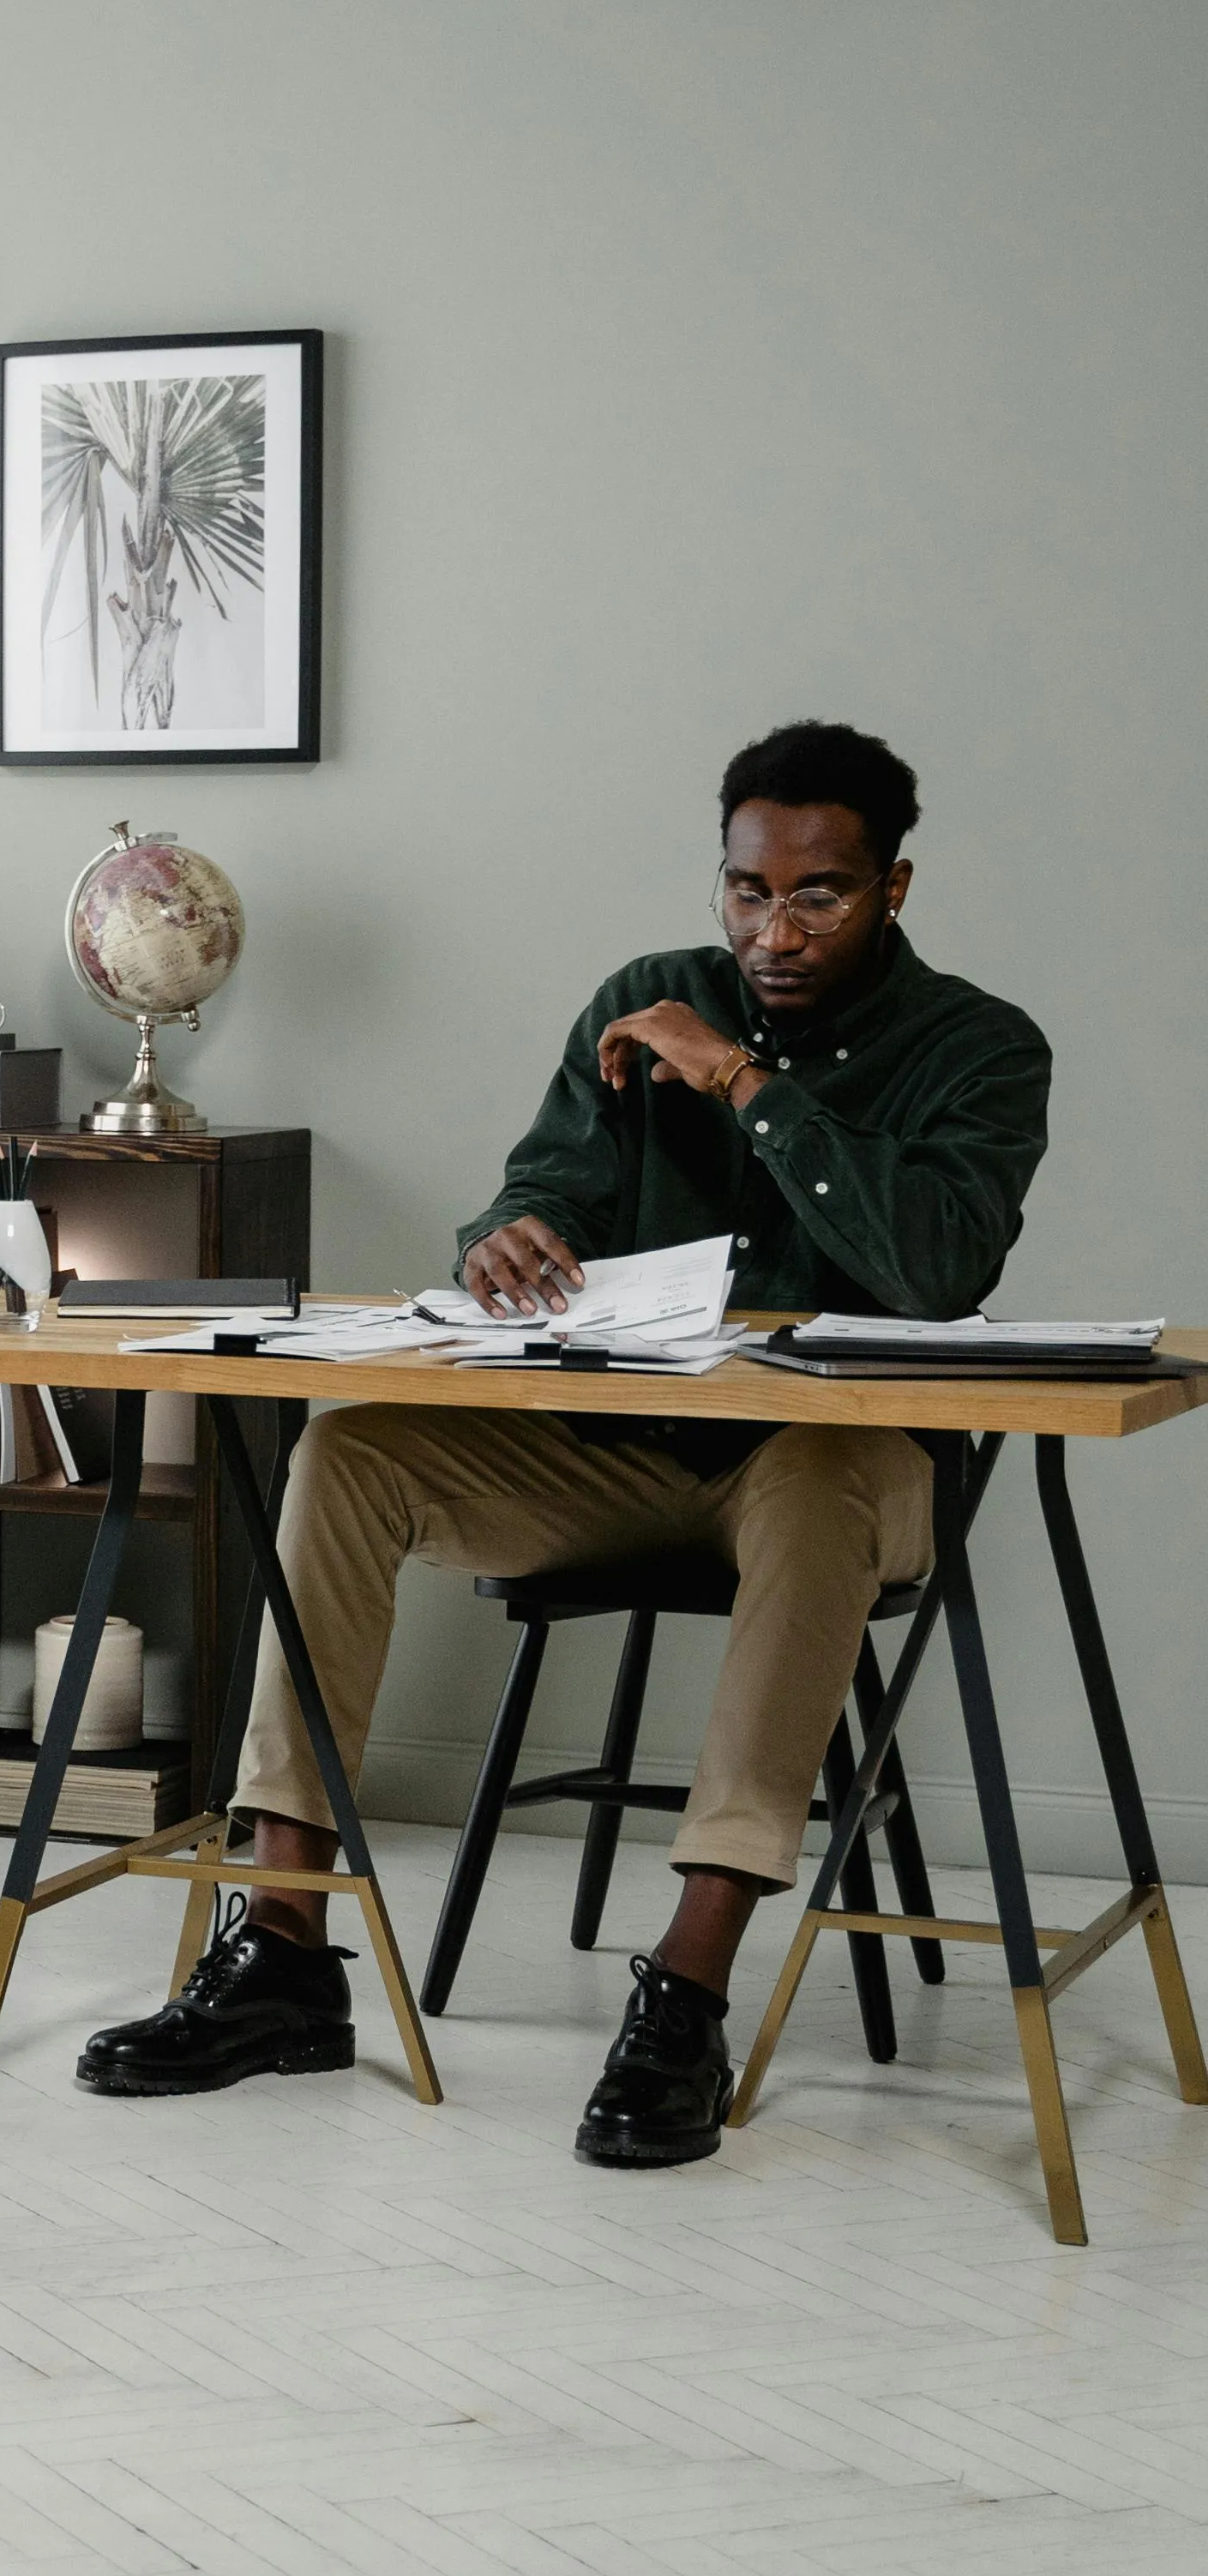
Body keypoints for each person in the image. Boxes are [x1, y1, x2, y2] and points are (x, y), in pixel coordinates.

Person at [79, 722, 1051, 2168]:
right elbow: (541, 1189)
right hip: (628, 1448)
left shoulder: (980, 1046)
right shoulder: (640, 1001)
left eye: (816, 895)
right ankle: (283, 1943)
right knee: (349, 1452)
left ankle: (688, 1984)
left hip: (851, 1476)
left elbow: (930, 1267)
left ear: (893, 888)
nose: (769, 929)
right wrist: (502, 1244)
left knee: (813, 1480)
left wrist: (739, 1082)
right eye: (743, 890)